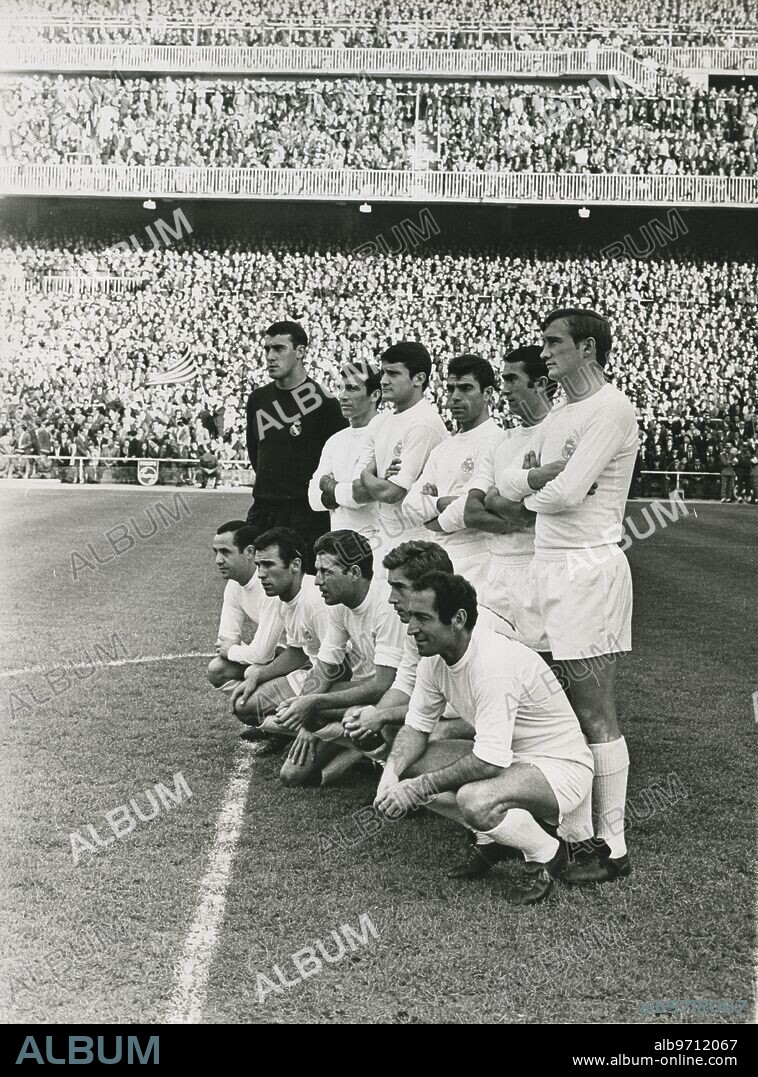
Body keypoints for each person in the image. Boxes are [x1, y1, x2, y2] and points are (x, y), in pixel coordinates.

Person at [493, 308, 638, 884]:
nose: (544, 352)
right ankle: (576, 838)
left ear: (588, 348)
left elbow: (568, 493)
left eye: (554, 343)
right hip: (545, 567)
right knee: (556, 712)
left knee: (594, 711)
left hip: (588, 570)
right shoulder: (558, 417)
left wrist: (535, 485)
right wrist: (541, 480)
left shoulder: (612, 408)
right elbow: (510, 480)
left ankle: (615, 847)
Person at [374, 573, 594, 905]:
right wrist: (390, 775)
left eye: (423, 618)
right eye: (411, 617)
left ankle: (546, 853)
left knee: (474, 799)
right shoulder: (433, 660)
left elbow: (489, 761)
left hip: (560, 769)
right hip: (512, 761)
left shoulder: (493, 663)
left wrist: (418, 789)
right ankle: (491, 839)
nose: (411, 629)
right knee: (406, 766)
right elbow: (416, 728)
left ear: (458, 619)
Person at [341, 539, 515, 762]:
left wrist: (382, 715)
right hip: (456, 715)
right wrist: (368, 721)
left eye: (399, 587)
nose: (391, 598)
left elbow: (454, 710)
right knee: (391, 729)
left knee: (426, 737)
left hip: (500, 722)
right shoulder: (418, 625)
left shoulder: (474, 627)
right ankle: (401, 777)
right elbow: (405, 682)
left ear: (429, 587)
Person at [270, 529, 405, 788]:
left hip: (398, 696)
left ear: (354, 573)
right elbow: (324, 668)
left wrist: (313, 702)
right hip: (368, 691)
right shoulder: (338, 604)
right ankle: (355, 749)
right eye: (317, 571)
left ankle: (384, 764)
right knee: (292, 776)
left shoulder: (385, 606)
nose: (318, 581)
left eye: (326, 572)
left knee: (316, 706)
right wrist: (304, 713)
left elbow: (383, 684)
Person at [463, 344, 556, 650]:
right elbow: (472, 512)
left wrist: (495, 499)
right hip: (495, 570)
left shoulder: (556, 435)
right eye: (502, 381)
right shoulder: (502, 442)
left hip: (535, 565)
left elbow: (533, 514)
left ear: (540, 384)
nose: (504, 390)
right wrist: (513, 504)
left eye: (512, 379)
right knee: (491, 657)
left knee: (543, 663)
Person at [245, 321, 346, 572]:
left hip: (306, 513)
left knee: (307, 587)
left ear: (300, 352)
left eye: (279, 348)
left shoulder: (325, 402)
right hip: (264, 508)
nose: (270, 356)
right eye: (267, 349)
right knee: (261, 586)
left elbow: (337, 460)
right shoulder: (258, 399)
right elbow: (255, 452)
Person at [402, 354, 502, 590]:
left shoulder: (497, 442)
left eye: (466, 388)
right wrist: (446, 503)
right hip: (440, 560)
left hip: (479, 559)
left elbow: (475, 508)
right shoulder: (443, 448)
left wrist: (432, 507)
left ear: (487, 393)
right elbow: (409, 507)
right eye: (451, 389)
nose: (455, 397)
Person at [349, 341, 448, 571]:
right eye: (383, 372)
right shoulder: (381, 422)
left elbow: (392, 493)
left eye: (393, 373)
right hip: (385, 533)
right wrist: (376, 478)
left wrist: (368, 473)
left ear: (419, 379)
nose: (383, 380)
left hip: (418, 537)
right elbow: (357, 492)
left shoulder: (424, 423)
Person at [231, 527, 331, 745]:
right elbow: (297, 652)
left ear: (295, 565)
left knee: (295, 776)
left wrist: (305, 700)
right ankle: (315, 730)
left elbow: (340, 665)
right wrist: (258, 677)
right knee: (245, 703)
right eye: (258, 565)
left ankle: (327, 734)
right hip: (315, 670)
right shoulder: (282, 598)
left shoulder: (314, 600)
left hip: (334, 678)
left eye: (268, 564)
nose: (260, 573)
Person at [206, 520, 284, 707]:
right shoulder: (233, 586)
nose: (218, 560)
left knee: (252, 672)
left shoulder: (269, 584)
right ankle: (267, 716)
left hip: (300, 658)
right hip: (276, 654)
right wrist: (241, 650)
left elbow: (261, 655)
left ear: (249, 552)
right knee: (217, 669)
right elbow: (224, 640)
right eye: (215, 552)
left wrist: (234, 649)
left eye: (225, 552)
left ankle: (280, 720)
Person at [307, 360, 381, 545]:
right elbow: (313, 499)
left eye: (352, 389)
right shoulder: (336, 440)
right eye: (340, 388)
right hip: (339, 545)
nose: (342, 395)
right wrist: (342, 492)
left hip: (376, 544)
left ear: (374, 395)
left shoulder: (384, 435)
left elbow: (358, 497)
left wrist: (329, 485)